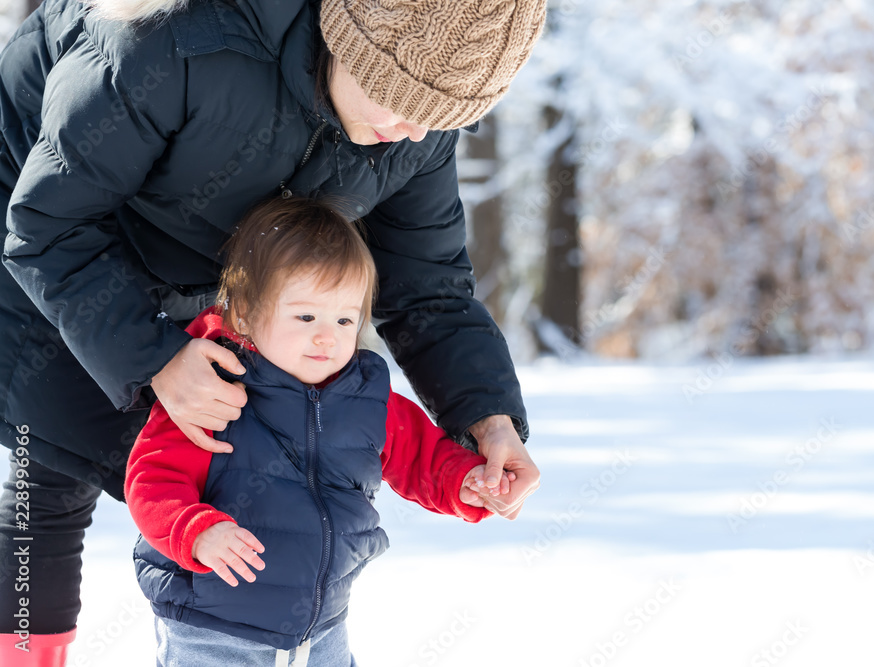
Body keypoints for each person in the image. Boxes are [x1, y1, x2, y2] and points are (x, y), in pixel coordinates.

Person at [0, 0, 546, 663]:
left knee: (253, 449)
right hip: (40, 212)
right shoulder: (172, 41)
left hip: (208, 248)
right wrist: (156, 360)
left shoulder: (415, 126)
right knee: (52, 461)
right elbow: (47, 227)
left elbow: (427, 286)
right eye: (400, 102)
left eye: (439, 118)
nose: (413, 130)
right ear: (354, 39)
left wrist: (487, 418)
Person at [127, 196, 508, 666]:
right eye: (306, 316)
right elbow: (153, 480)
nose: (327, 336)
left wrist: (464, 482)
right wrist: (196, 532)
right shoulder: (212, 387)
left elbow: (422, 457)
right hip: (214, 626)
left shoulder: (367, 397)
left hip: (324, 626)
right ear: (244, 313)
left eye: (344, 319)